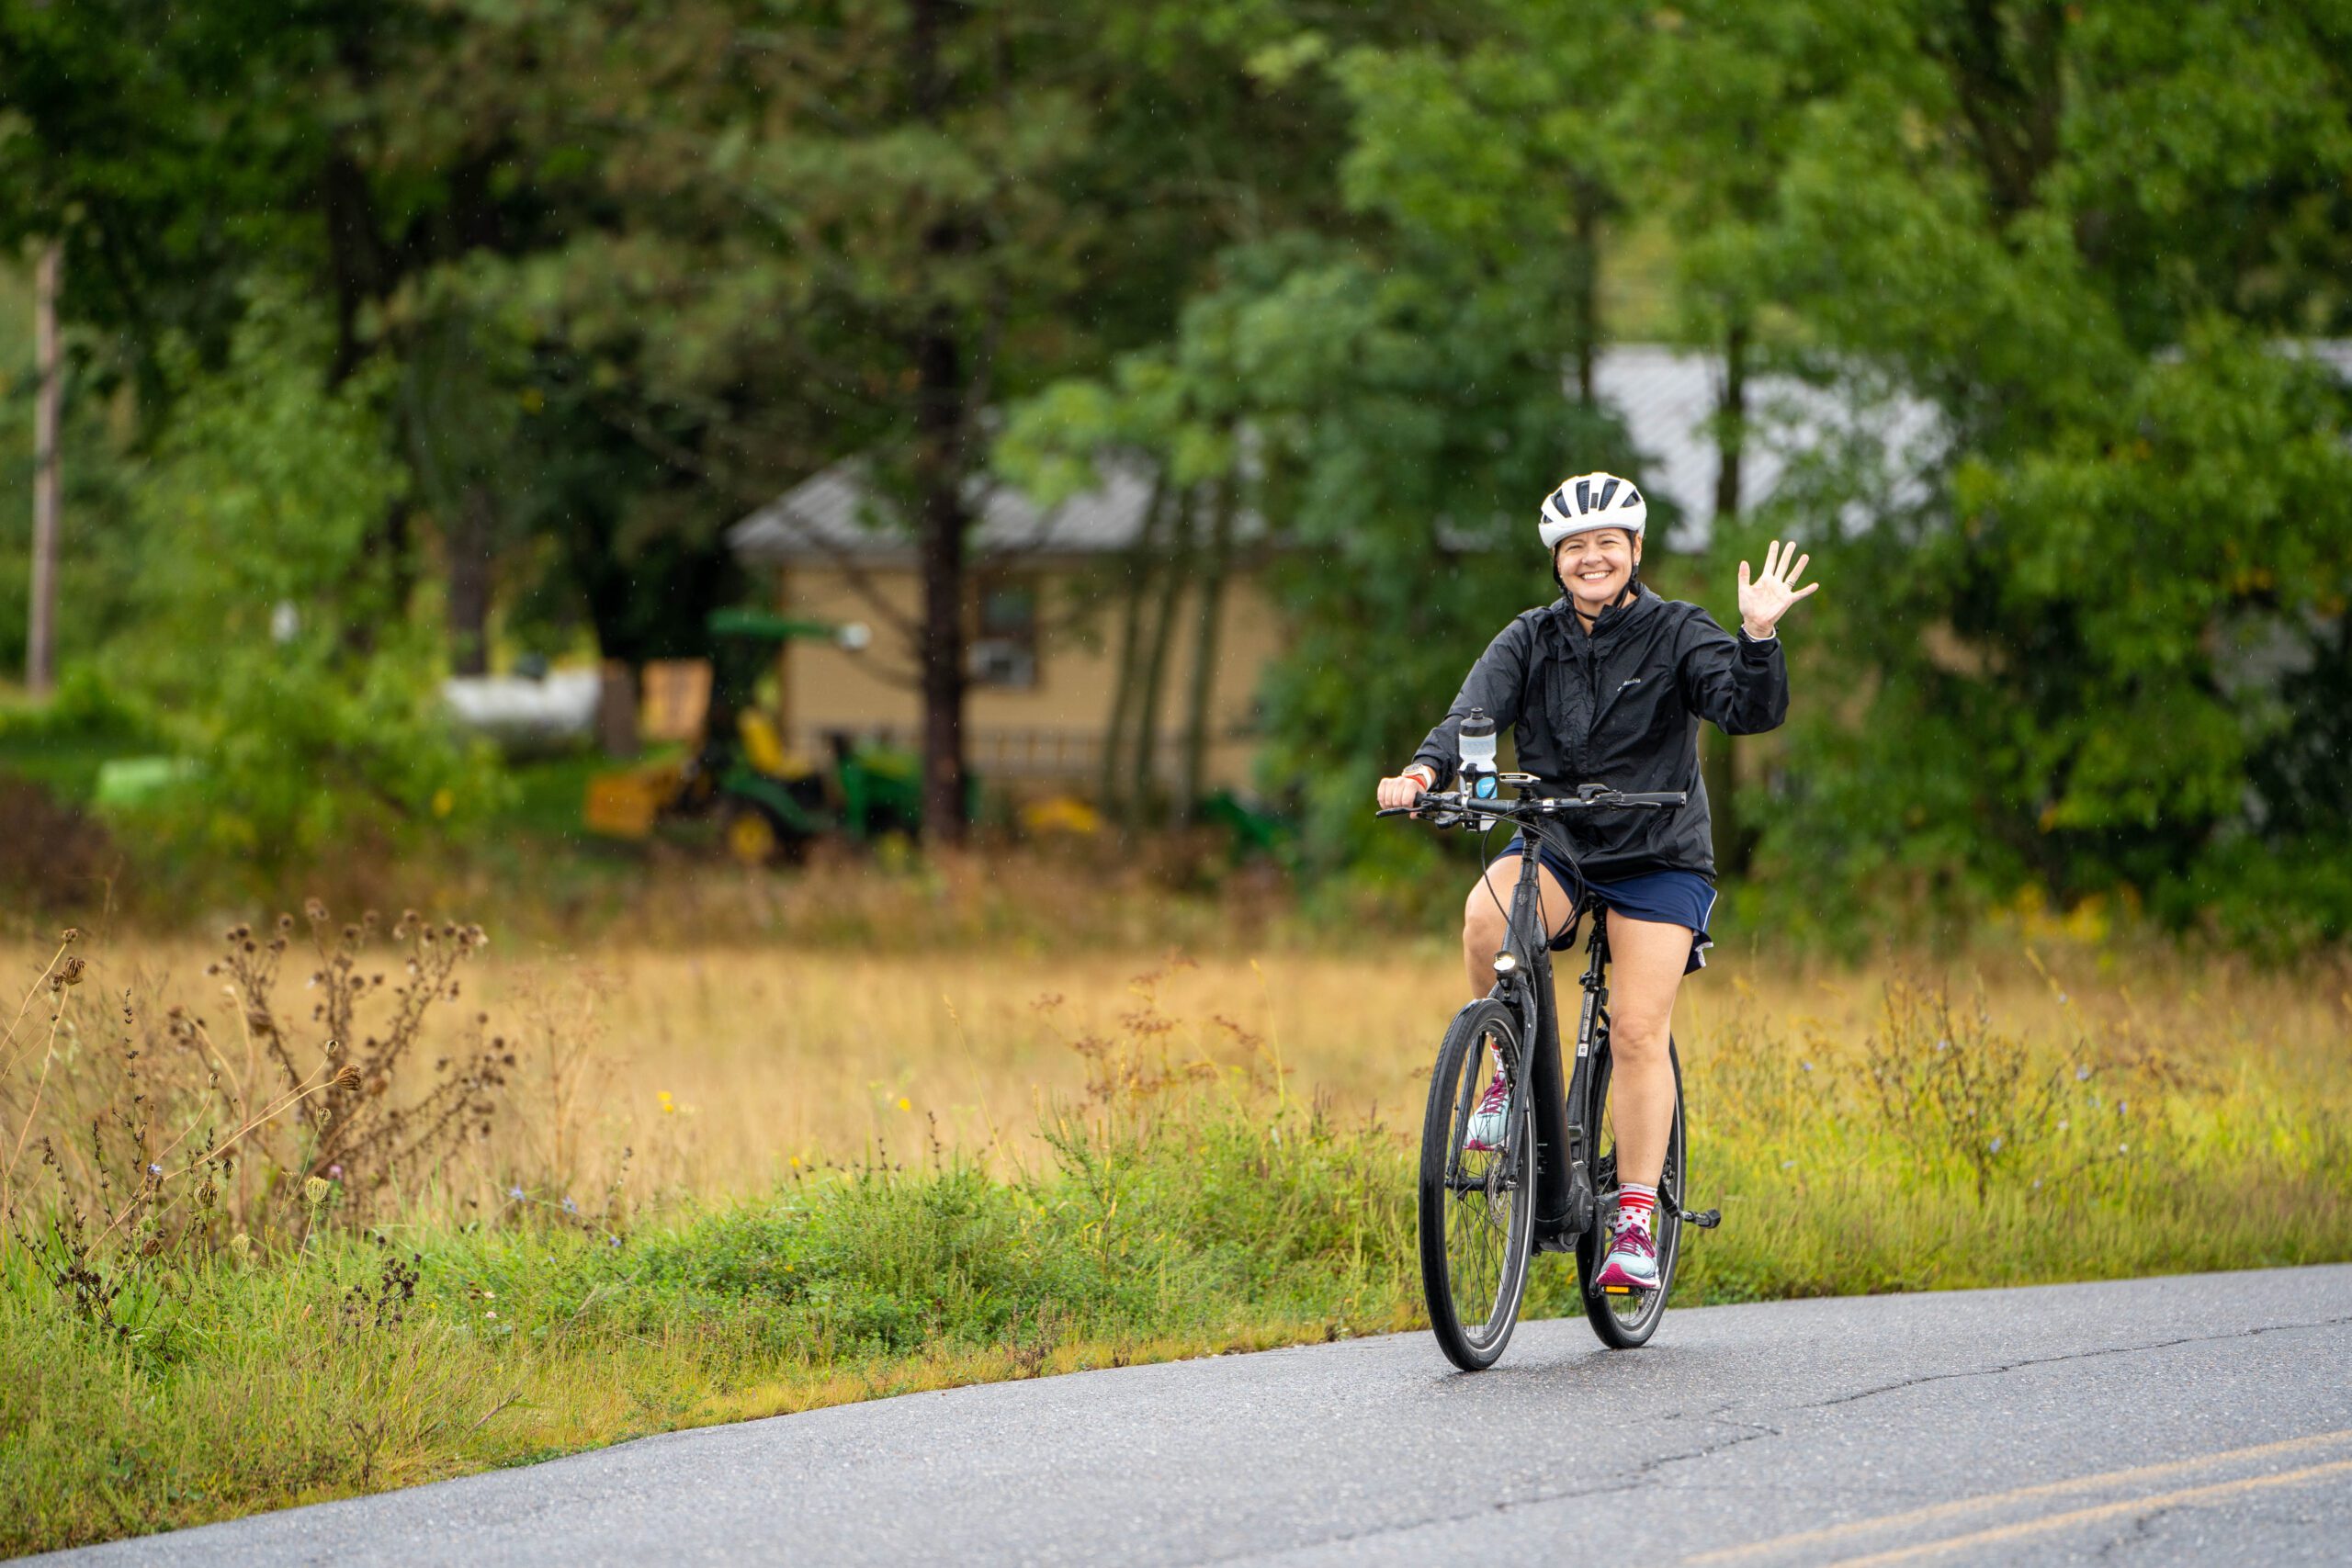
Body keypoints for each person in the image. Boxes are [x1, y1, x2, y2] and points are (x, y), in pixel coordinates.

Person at [1374, 472, 1817, 1292]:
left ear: (1635, 552)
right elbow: (1471, 713)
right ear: (1557, 562)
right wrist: (1421, 769)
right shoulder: (1529, 639)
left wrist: (1757, 638)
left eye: (1608, 543)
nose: (1591, 558)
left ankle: (1638, 1216)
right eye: (1575, 547)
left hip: (1658, 849)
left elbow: (1746, 709)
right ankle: (1506, 1070)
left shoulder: (1679, 630)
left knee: (1640, 1029)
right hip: (1562, 840)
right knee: (1485, 918)